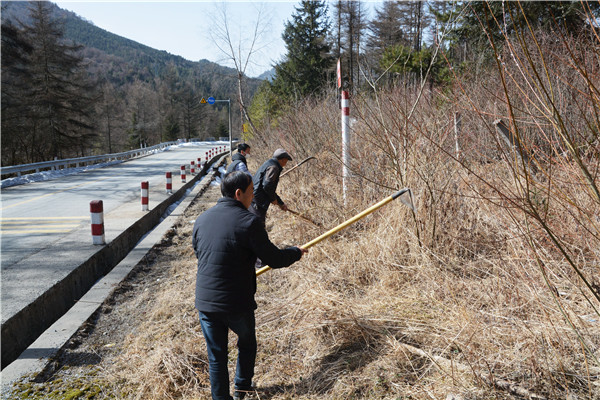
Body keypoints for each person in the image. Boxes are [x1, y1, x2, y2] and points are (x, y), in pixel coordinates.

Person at [192, 171, 307, 400]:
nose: (253, 197)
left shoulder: (202, 219)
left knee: (216, 357)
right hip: (236, 302)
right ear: (238, 193)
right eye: (251, 192)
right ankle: (242, 389)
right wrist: (295, 252)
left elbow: (200, 252)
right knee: (246, 343)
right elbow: (274, 259)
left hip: (206, 302)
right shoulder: (249, 222)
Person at [249, 148, 292, 226]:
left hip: (253, 197)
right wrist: (273, 199)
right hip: (258, 201)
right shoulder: (274, 167)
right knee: (258, 225)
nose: (286, 163)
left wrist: (280, 202)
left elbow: (268, 186)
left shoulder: (268, 163)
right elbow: (267, 185)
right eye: (286, 160)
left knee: (254, 223)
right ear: (282, 160)